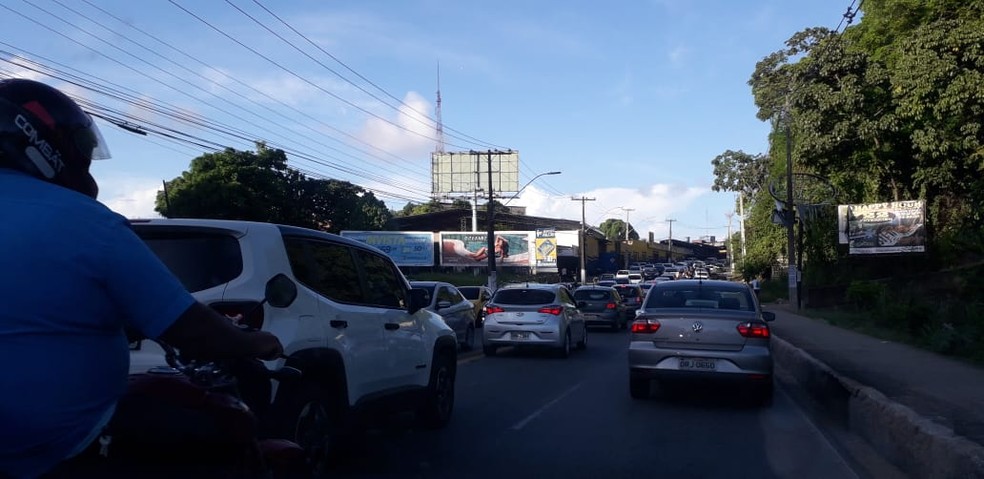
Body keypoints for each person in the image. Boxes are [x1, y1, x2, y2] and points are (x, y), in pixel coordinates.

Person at [0, 78, 283, 479]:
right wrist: (253, 341)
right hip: (53, 452)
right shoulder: (85, 222)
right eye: (80, 147)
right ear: (41, 139)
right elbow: (189, 327)